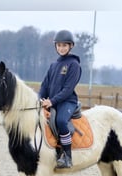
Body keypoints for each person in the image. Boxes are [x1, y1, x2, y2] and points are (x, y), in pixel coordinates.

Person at [39, 30, 82, 168]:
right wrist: (40, 98)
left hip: (67, 101)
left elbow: (67, 90)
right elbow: (45, 85)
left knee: (61, 121)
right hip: (53, 101)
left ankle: (67, 157)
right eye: (59, 45)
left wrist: (51, 101)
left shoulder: (74, 65)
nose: (61, 48)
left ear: (71, 46)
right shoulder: (53, 65)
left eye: (64, 45)